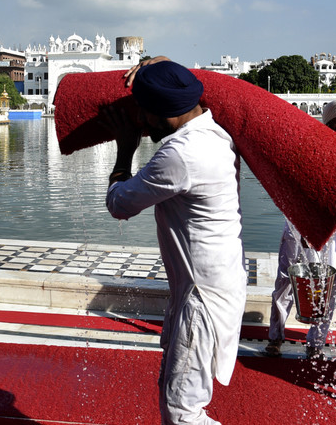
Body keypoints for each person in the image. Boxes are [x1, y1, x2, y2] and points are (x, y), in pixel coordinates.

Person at [102, 58, 244, 425]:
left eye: (146, 113)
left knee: (182, 414)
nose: (143, 122)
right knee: (175, 399)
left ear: (164, 111)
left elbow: (119, 204)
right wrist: (156, 65)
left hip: (203, 298)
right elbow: (179, 83)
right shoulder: (214, 132)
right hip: (209, 286)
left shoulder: (180, 154)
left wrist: (124, 149)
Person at [265, 97, 336, 359]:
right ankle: (275, 337)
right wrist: (303, 227)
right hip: (299, 229)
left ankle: (315, 343)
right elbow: (291, 194)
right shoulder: (307, 153)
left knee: (330, 284)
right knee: (285, 282)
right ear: (328, 123)